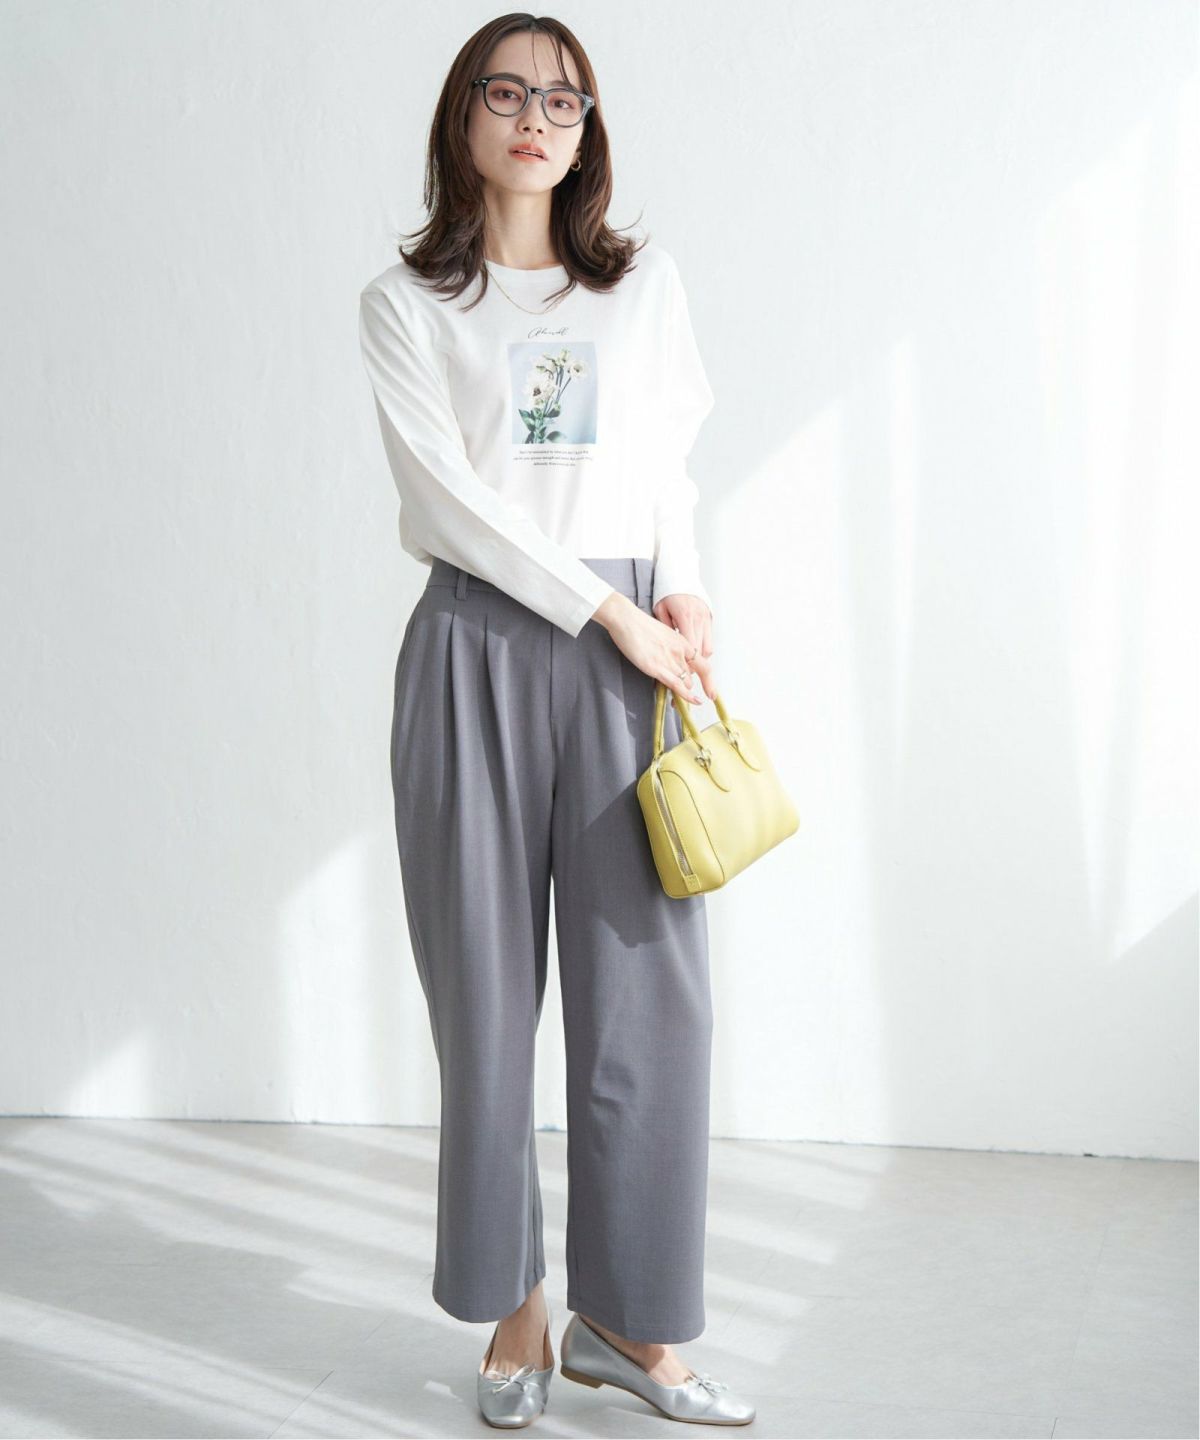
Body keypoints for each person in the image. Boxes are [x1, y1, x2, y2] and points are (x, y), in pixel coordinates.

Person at [358, 13, 755, 1429]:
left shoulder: (642, 288)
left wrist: (679, 589)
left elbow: (667, 461)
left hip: (629, 647)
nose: (537, 117)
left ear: (589, 131)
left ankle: (630, 1327)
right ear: (462, 115)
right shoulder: (407, 305)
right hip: (476, 643)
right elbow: (448, 502)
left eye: (565, 100)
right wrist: (609, 613)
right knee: (482, 1002)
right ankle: (516, 1314)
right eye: (508, 92)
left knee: (649, 1001)